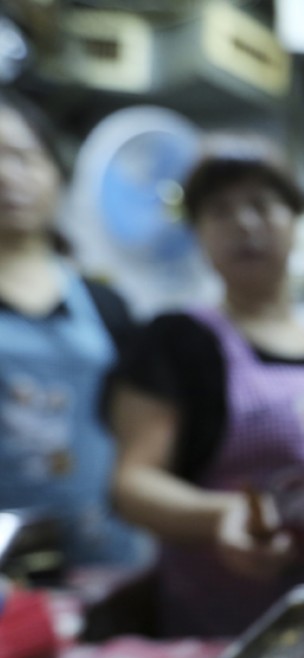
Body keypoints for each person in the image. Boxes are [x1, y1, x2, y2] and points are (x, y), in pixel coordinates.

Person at [107, 133, 304, 638]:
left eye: (262, 204)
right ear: (198, 233)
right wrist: (223, 516)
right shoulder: (176, 341)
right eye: (221, 211)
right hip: (223, 629)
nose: (245, 224)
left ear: (296, 221)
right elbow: (132, 485)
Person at [0, 89, 145, 570]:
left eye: (23, 157)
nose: (7, 176)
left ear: (57, 174)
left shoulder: (105, 305)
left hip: (109, 561)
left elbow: (140, 439)